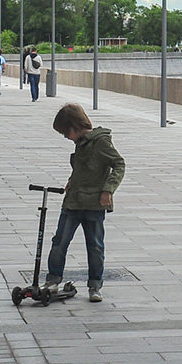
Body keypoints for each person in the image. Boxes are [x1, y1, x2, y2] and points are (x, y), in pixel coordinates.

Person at [43, 103, 125, 303]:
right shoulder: (80, 143)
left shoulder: (101, 142)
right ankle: (53, 280)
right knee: (59, 242)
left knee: (95, 246)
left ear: (75, 125)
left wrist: (108, 189)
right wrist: (72, 180)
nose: (65, 136)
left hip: (94, 205)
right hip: (72, 203)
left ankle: (95, 286)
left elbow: (119, 164)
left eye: (65, 132)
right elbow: (83, 168)